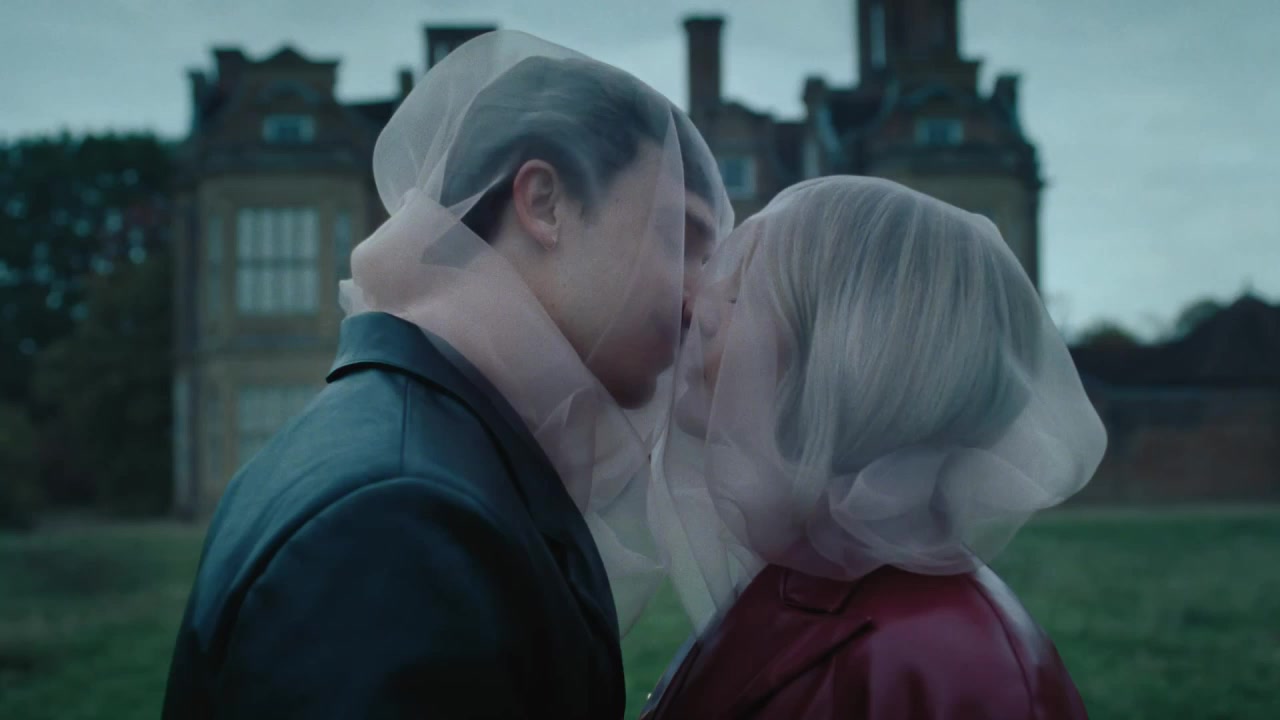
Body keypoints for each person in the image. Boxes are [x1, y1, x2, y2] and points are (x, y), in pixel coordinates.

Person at [162, 30, 731, 719]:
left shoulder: (438, 450)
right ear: (544, 203)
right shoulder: (397, 518)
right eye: (679, 237)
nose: (700, 300)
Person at [644, 176, 1106, 719]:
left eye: (741, 295)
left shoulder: (948, 668)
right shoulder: (816, 571)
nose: (696, 310)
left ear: (854, 359)